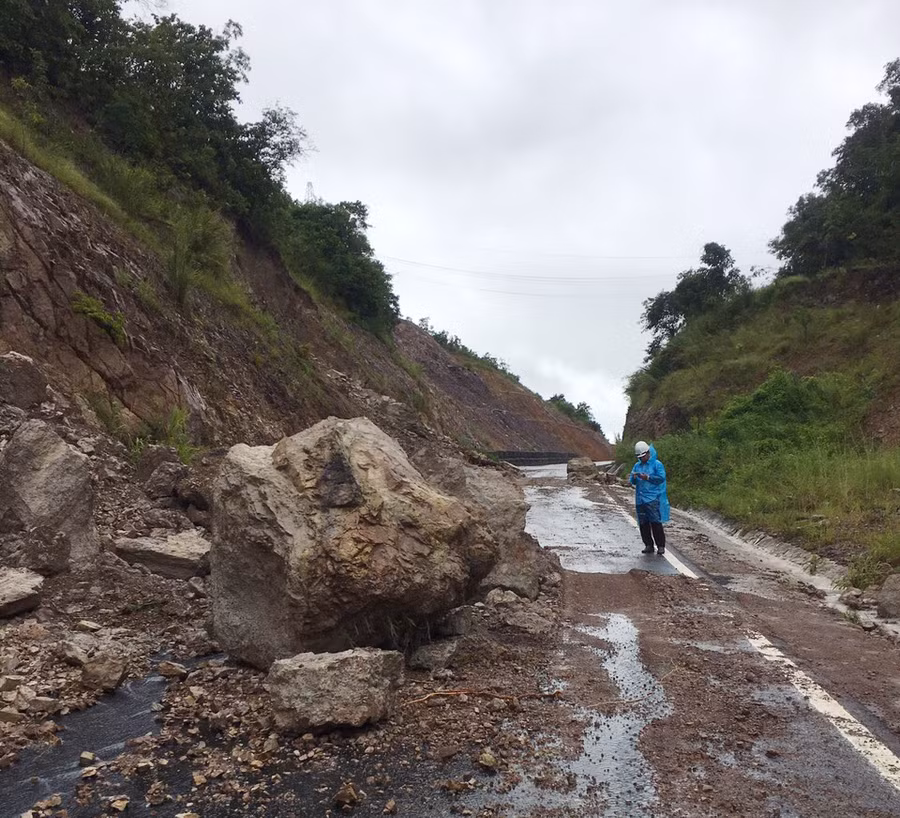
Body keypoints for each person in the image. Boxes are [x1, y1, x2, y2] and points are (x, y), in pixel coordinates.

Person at [629, 440, 670, 555]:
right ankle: (648, 545)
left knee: (655, 523)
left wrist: (647, 477)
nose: (641, 459)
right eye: (639, 457)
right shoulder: (637, 466)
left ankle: (661, 546)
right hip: (640, 499)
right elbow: (632, 481)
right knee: (643, 523)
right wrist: (633, 477)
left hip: (652, 498)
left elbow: (661, 478)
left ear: (647, 453)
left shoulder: (657, 464)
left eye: (643, 456)